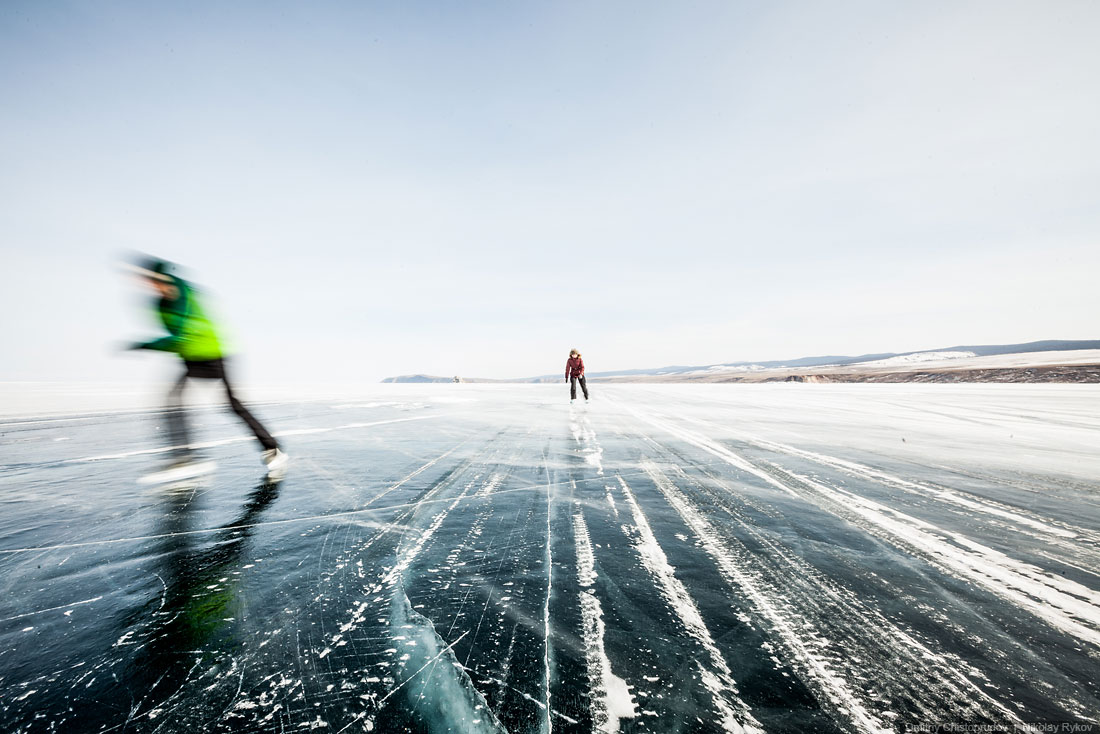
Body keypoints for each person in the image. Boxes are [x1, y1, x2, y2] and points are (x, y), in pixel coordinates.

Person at [125, 257, 287, 476]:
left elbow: (181, 336)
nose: (156, 288)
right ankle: (184, 457)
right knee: (173, 400)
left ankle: (272, 449)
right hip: (190, 358)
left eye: (158, 282)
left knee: (232, 405)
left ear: (165, 280)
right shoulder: (160, 305)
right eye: (151, 283)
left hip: (212, 355)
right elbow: (176, 338)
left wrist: (145, 344)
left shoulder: (185, 295)